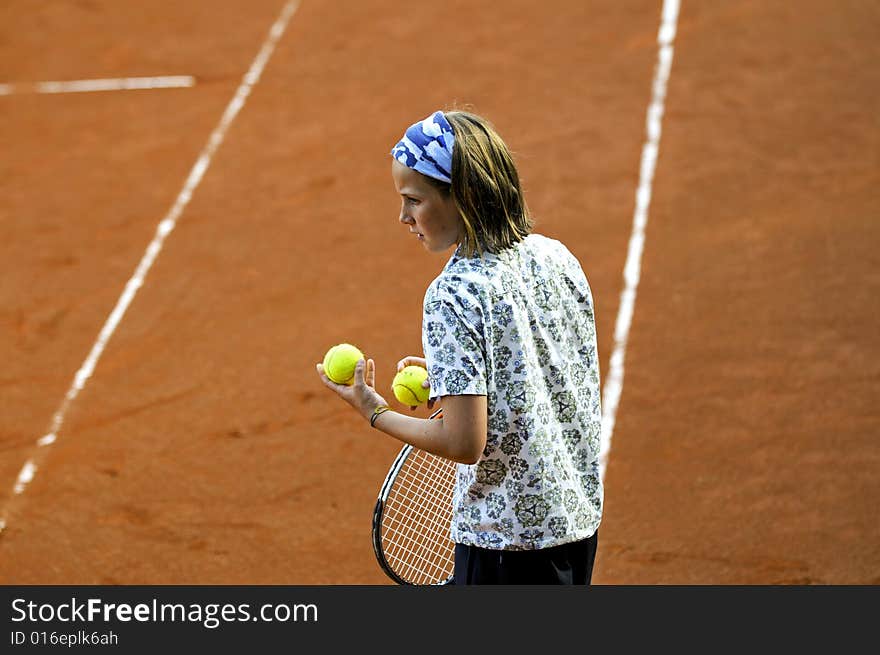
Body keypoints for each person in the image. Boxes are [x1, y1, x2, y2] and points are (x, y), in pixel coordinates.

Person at [317, 108, 603, 584]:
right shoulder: (557, 256)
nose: (403, 217)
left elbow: (464, 443)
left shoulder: (452, 294)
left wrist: (373, 411)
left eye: (414, 200)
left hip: (506, 543)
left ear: (464, 198)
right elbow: (548, 371)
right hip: (575, 521)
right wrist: (455, 376)